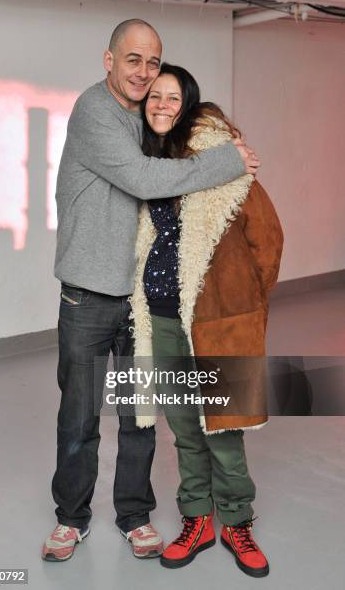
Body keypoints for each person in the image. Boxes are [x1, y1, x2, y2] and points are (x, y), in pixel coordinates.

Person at [42, 19, 261, 562]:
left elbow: (182, 149)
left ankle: (135, 515)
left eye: (152, 62)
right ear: (109, 60)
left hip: (140, 298)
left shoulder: (148, 120)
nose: (143, 72)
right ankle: (71, 519)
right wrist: (226, 159)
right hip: (89, 295)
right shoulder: (96, 112)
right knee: (79, 416)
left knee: (140, 416)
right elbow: (144, 180)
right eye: (133, 60)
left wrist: (211, 135)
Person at [130, 63, 283, 577]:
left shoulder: (226, 164)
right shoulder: (146, 163)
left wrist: (246, 304)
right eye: (154, 96)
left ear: (188, 104)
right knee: (185, 429)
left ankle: (237, 521)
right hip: (162, 315)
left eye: (173, 97)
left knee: (223, 428)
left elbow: (268, 239)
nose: (162, 105)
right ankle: (197, 518)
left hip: (217, 318)